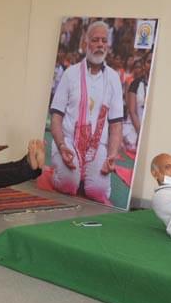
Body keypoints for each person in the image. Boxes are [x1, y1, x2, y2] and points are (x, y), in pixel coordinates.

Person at [49, 20, 124, 205]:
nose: (100, 45)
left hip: (97, 145)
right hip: (69, 142)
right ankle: (66, 173)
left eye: (103, 41)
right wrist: (61, 145)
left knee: (97, 191)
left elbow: (116, 123)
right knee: (68, 184)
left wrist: (111, 155)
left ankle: (86, 173)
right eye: (95, 40)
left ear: (108, 45)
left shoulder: (113, 78)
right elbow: (56, 116)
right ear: (86, 43)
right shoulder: (70, 74)